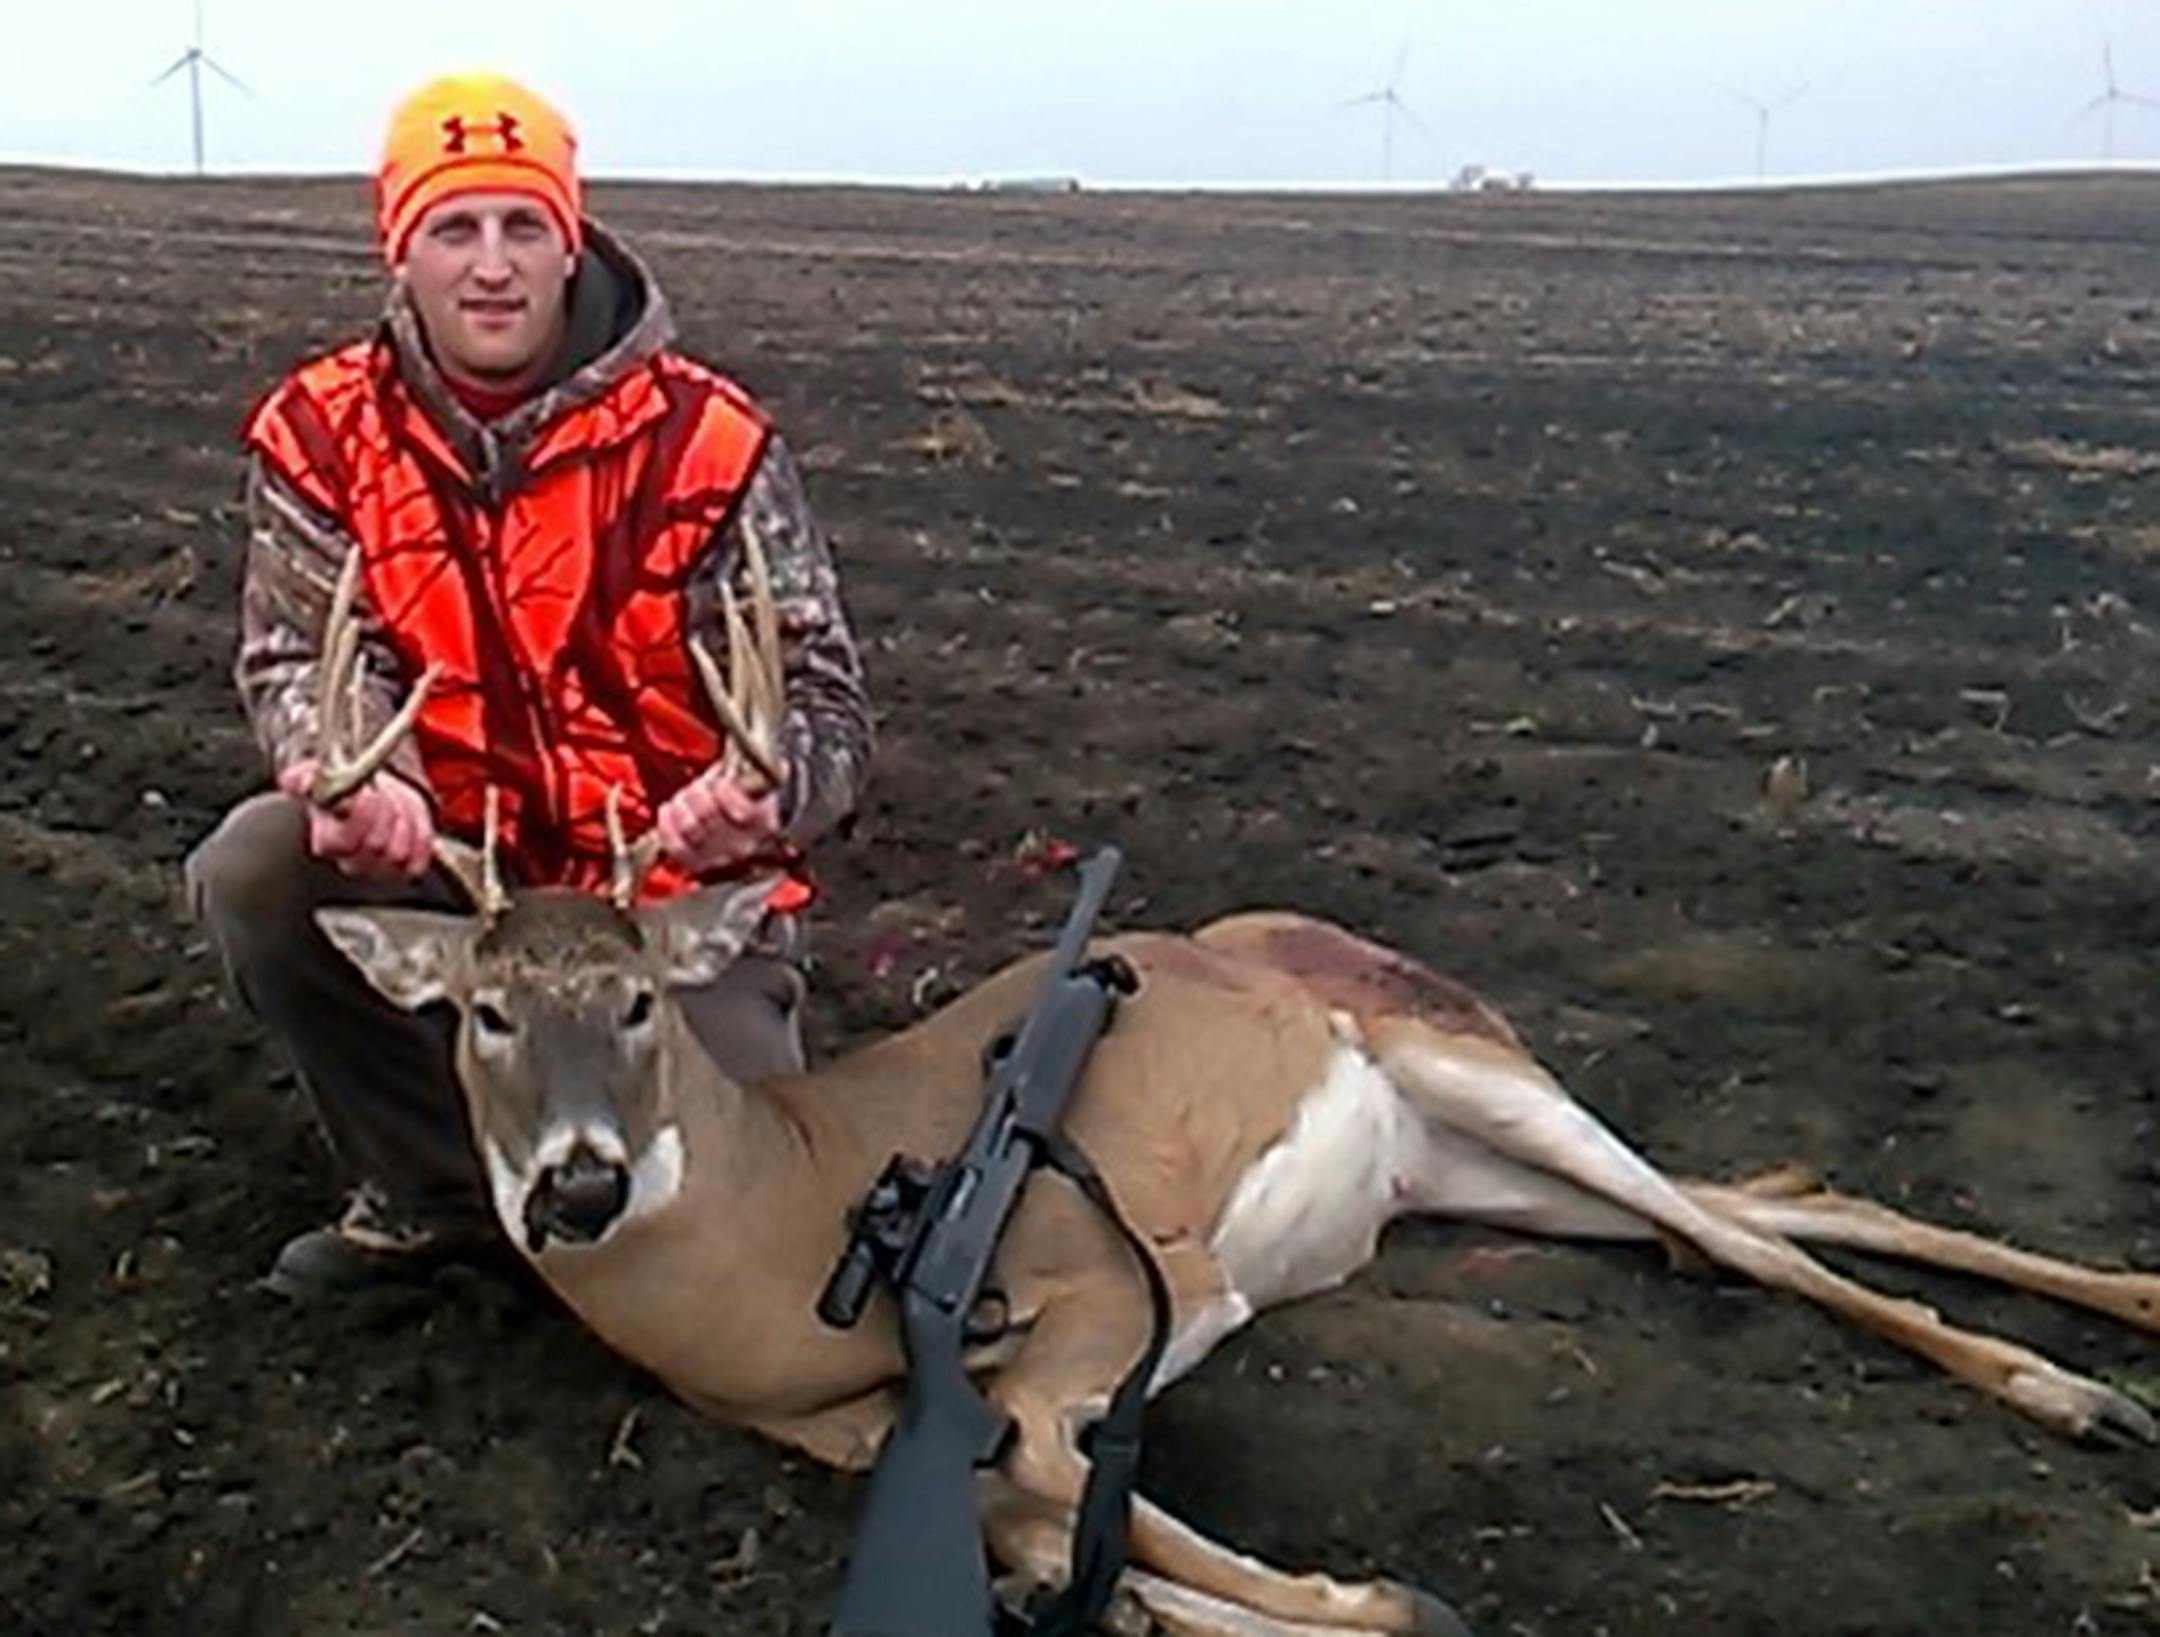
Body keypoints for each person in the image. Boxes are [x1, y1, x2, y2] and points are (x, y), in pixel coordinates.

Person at [185, 73, 873, 1298]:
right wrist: (354, 769)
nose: (491, 265)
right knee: (258, 866)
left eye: (523, 225)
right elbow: (293, 655)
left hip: (661, 897)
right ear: (403, 253)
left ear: (572, 243)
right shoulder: (323, 434)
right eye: (454, 228)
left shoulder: (708, 442)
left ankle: (603, 1194)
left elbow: (824, 701)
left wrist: (764, 795)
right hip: (460, 882)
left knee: (751, 1252)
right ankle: (434, 1193)